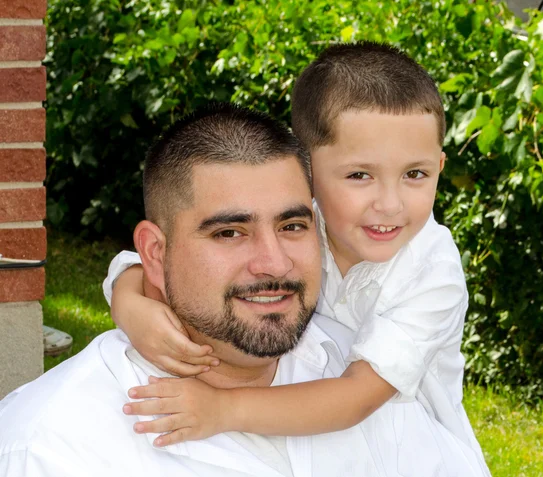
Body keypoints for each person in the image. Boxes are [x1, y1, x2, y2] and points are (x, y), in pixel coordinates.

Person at [0, 103, 485, 476]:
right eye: (228, 233)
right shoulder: (55, 448)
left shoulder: (363, 378)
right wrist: (129, 294)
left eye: (293, 226)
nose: (273, 262)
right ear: (154, 253)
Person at [102, 42, 490, 475]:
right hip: (327, 439)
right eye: (360, 175)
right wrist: (131, 303)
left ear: (440, 165)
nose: (390, 204)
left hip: (412, 450)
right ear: (304, 171)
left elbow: (356, 398)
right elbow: (158, 260)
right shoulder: (303, 226)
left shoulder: (432, 271)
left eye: (415, 174)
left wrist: (222, 408)